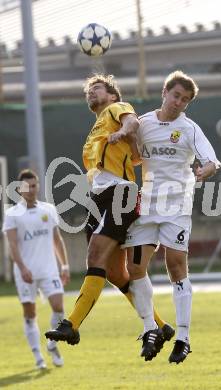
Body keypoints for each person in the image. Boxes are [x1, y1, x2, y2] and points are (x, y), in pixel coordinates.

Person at [45, 74, 167, 358]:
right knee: (114, 272)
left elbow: (133, 121)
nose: (91, 93)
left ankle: (71, 324)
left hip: (119, 194)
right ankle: (160, 327)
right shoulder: (96, 128)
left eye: (97, 89)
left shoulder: (117, 109)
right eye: (88, 91)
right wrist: (126, 142)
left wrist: (125, 130)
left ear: (112, 95)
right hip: (100, 198)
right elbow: (134, 158)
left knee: (95, 256)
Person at [122, 70, 221, 364]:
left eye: (185, 100)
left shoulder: (189, 129)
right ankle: (150, 328)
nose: (179, 102)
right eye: (176, 95)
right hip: (147, 206)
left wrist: (206, 169)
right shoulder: (144, 123)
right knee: (134, 268)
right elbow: (137, 157)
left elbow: (212, 159)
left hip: (177, 207)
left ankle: (184, 337)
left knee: (175, 265)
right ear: (164, 92)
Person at [2, 169, 70, 369]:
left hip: (49, 270)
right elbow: (13, 245)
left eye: (34, 185)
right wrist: (22, 268)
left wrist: (64, 266)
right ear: (20, 189)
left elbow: (57, 240)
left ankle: (51, 343)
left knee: (59, 307)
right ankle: (38, 357)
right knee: (30, 314)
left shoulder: (48, 209)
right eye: (27, 186)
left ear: (38, 186)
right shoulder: (12, 213)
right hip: (26, 273)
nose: (31, 190)